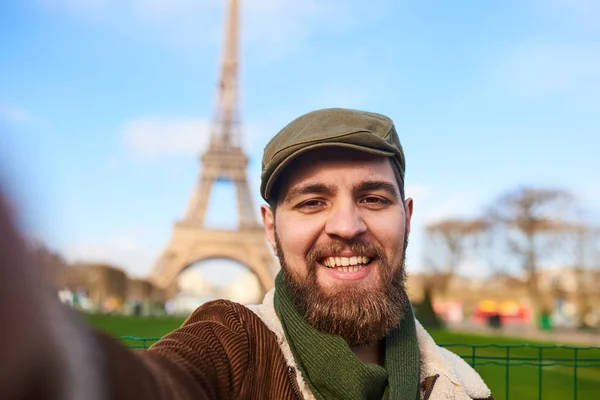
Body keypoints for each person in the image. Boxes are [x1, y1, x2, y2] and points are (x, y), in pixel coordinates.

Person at [0, 108, 494, 399]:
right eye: (312, 201)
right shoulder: (229, 348)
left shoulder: (463, 388)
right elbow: (162, 384)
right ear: (269, 226)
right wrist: (49, 358)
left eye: (373, 198)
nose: (346, 225)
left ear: (406, 215)